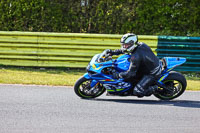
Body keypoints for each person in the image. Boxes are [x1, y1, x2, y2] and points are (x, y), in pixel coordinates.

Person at [105, 33, 162, 97]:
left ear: (132, 44)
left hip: (151, 73)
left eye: (126, 45)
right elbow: (124, 50)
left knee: (137, 91)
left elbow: (130, 74)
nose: (124, 46)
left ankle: (155, 88)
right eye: (123, 45)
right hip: (148, 65)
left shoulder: (135, 57)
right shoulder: (139, 45)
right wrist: (113, 52)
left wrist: (118, 75)